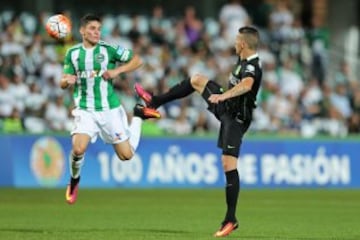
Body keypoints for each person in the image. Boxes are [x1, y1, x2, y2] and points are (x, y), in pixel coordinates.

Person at [135, 26, 262, 237]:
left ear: (242, 44)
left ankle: (231, 219)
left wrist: (222, 96)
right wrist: (223, 95)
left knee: (228, 164)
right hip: (227, 109)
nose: (233, 42)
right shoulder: (241, 61)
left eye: (236, 40)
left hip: (236, 119)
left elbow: (247, 85)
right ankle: (154, 102)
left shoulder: (252, 66)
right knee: (196, 80)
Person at [60, 14, 160, 204]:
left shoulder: (109, 49)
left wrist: (117, 71)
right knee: (78, 148)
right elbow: (63, 81)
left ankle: (138, 115)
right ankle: (74, 181)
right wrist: (67, 80)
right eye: (92, 28)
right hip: (85, 109)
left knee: (126, 155)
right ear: (82, 31)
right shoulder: (72, 53)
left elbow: (138, 60)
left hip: (110, 110)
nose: (96, 32)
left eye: (99, 29)